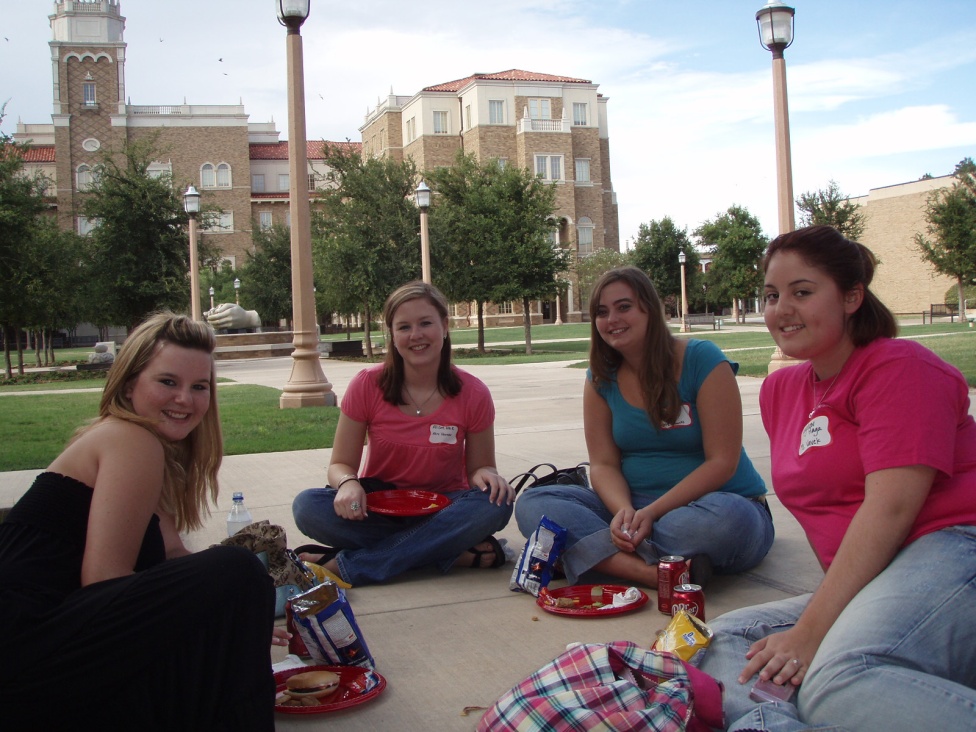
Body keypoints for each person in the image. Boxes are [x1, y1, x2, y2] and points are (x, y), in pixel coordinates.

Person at [699, 225, 976, 731]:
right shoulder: (781, 390)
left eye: (802, 292)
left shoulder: (901, 368)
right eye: (771, 295)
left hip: (954, 549)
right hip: (878, 578)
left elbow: (890, 510)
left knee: (839, 680)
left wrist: (810, 634)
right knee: (719, 639)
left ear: (852, 297)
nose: (782, 309)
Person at [0, 313, 281, 731]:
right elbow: (104, 580)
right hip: (25, 650)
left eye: (199, 387)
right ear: (129, 384)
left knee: (236, 587)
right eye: (168, 382)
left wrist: (241, 611)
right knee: (237, 571)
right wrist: (235, 591)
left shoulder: (153, 453)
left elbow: (169, 554)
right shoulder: (130, 440)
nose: (185, 399)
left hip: (52, 644)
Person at [515, 266, 773, 587]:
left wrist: (652, 514)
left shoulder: (702, 359)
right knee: (533, 504)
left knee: (727, 522)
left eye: (624, 307)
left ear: (649, 309)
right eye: (602, 312)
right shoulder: (600, 378)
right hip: (632, 509)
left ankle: (593, 559)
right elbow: (604, 464)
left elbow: (722, 462)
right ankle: (651, 572)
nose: (612, 320)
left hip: (714, 503)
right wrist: (624, 512)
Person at [292, 281, 514, 586]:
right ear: (393, 335)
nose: (416, 335)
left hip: (445, 509)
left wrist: (488, 477)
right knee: (307, 507)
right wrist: (347, 484)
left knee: (495, 504)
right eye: (404, 327)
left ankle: (349, 566)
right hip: (378, 507)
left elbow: (481, 467)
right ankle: (448, 551)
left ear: (445, 326)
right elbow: (340, 464)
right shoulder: (367, 385)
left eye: (425, 323)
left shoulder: (473, 392)